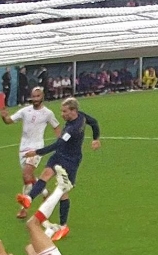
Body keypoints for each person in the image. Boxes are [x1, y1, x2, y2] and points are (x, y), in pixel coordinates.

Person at [17, 98, 101, 240]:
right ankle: (29, 199)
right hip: (60, 156)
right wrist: (95, 138)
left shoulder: (71, 129)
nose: (62, 114)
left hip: (71, 160)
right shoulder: (82, 116)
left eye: (64, 111)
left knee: (63, 191)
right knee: (45, 174)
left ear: (73, 111)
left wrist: (36, 152)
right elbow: (94, 123)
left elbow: (58, 144)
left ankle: (63, 226)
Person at [0, 87, 59, 219]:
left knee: (26, 175)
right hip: (23, 149)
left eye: (38, 96)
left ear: (42, 97)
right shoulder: (25, 111)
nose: (36, 99)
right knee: (29, 177)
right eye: (34, 96)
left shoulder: (48, 113)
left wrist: (61, 144)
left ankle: (23, 209)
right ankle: (43, 191)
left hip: (36, 149)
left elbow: (56, 127)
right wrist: (4, 117)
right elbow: (9, 120)